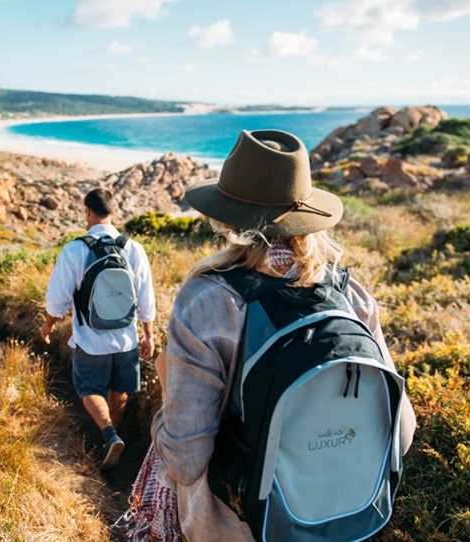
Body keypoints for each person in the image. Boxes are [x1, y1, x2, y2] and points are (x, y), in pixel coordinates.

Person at [125, 129, 417, 541]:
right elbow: (401, 432)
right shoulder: (350, 295)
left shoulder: (208, 300)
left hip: (235, 525)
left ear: (229, 218)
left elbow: (186, 460)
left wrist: (162, 401)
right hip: (338, 520)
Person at [41, 187, 156, 469]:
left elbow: (57, 299)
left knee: (89, 388)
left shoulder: (75, 250)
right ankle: (112, 442)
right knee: (121, 391)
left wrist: (47, 326)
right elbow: (146, 296)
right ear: (112, 212)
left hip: (91, 341)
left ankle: (108, 434)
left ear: (88, 212)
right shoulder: (133, 249)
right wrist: (150, 334)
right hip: (127, 340)